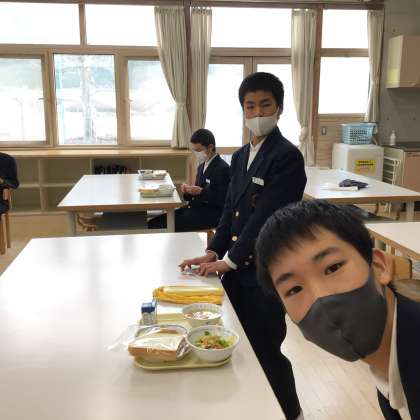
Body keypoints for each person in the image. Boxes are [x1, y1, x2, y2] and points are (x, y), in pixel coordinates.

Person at [180, 72, 307, 420]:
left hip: (266, 272)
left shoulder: (287, 157)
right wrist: (213, 251)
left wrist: (230, 260)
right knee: (241, 345)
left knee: (266, 350)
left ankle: (291, 412)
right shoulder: (238, 158)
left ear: (279, 108)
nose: (258, 112)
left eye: (265, 104)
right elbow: (229, 212)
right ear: (243, 111)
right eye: (250, 106)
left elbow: (267, 217)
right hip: (236, 272)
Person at [256, 200, 420, 420]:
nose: (321, 298)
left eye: (333, 268)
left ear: (379, 266)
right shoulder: (391, 369)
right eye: (294, 290)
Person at [148, 128, 230, 232]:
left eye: (198, 150)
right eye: (194, 150)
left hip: (211, 215)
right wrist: (188, 191)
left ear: (210, 147)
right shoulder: (201, 166)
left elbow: (224, 199)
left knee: (161, 226)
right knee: (153, 222)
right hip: (194, 209)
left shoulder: (223, 168)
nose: (196, 154)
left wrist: (201, 191)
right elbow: (197, 194)